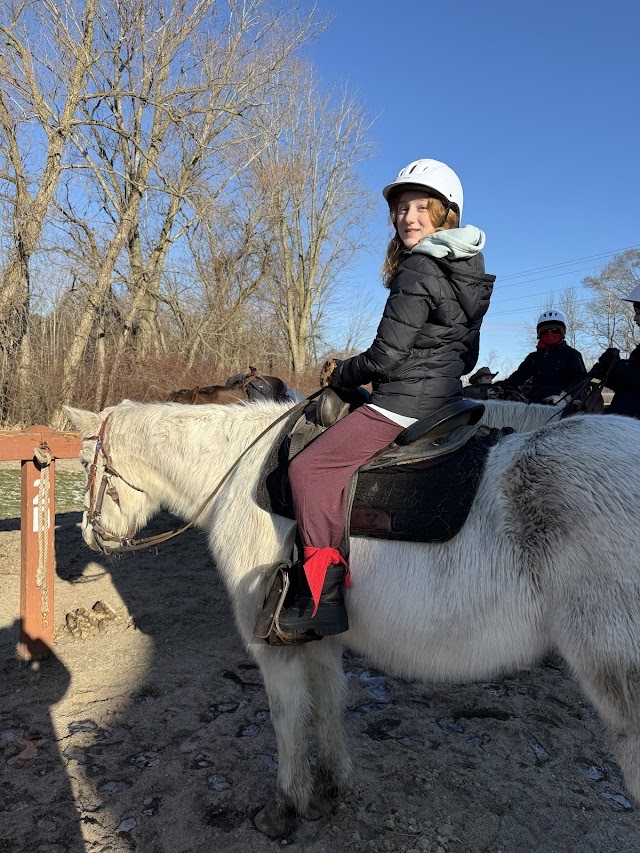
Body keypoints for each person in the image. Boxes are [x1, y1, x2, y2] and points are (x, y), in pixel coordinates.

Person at [269, 158, 496, 642]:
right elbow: (466, 352)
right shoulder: (470, 274)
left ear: (444, 214)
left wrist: (340, 372)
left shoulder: (418, 266)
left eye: (421, 207)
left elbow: (386, 357)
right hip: (444, 399)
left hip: (404, 402)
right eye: (400, 209)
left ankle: (322, 598)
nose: (408, 218)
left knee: (310, 469)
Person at [494, 310, 587, 404]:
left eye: (555, 330)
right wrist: (500, 388)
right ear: (539, 334)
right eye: (545, 331)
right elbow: (518, 377)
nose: (550, 333)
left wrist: (565, 396)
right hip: (535, 404)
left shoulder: (572, 354)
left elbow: (581, 380)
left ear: (562, 333)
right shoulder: (533, 358)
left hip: (563, 406)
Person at [591, 285, 640, 418]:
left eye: (638, 313)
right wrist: (605, 374)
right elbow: (628, 387)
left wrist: (613, 366)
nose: (635, 318)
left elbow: (636, 380)